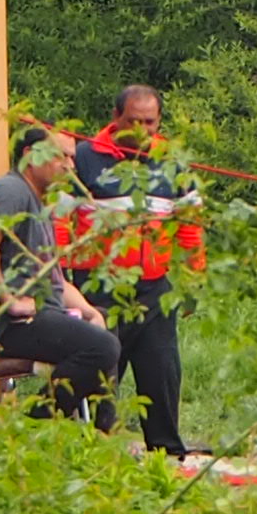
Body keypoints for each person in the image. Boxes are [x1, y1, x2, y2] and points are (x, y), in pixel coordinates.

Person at [70, 83, 200, 457]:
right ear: (115, 119)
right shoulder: (84, 157)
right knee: (101, 374)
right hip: (98, 285)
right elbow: (61, 222)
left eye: (150, 122)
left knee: (161, 371)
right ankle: (95, 449)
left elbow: (190, 224)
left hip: (155, 284)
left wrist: (192, 278)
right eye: (134, 122)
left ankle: (167, 454)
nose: (142, 131)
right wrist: (63, 278)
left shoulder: (173, 161)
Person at [0, 128, 124, 426]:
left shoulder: (39, 203)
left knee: (107, 324)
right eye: (60, 155)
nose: (70, 165)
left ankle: (103, 435)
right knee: (101, 347)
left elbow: (55, 279)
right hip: (9, 326)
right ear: (30, 154)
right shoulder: (11, 190)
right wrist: (7, 299)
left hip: (42, 314)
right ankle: (36, 423)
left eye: (72, 157)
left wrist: (91, 312)